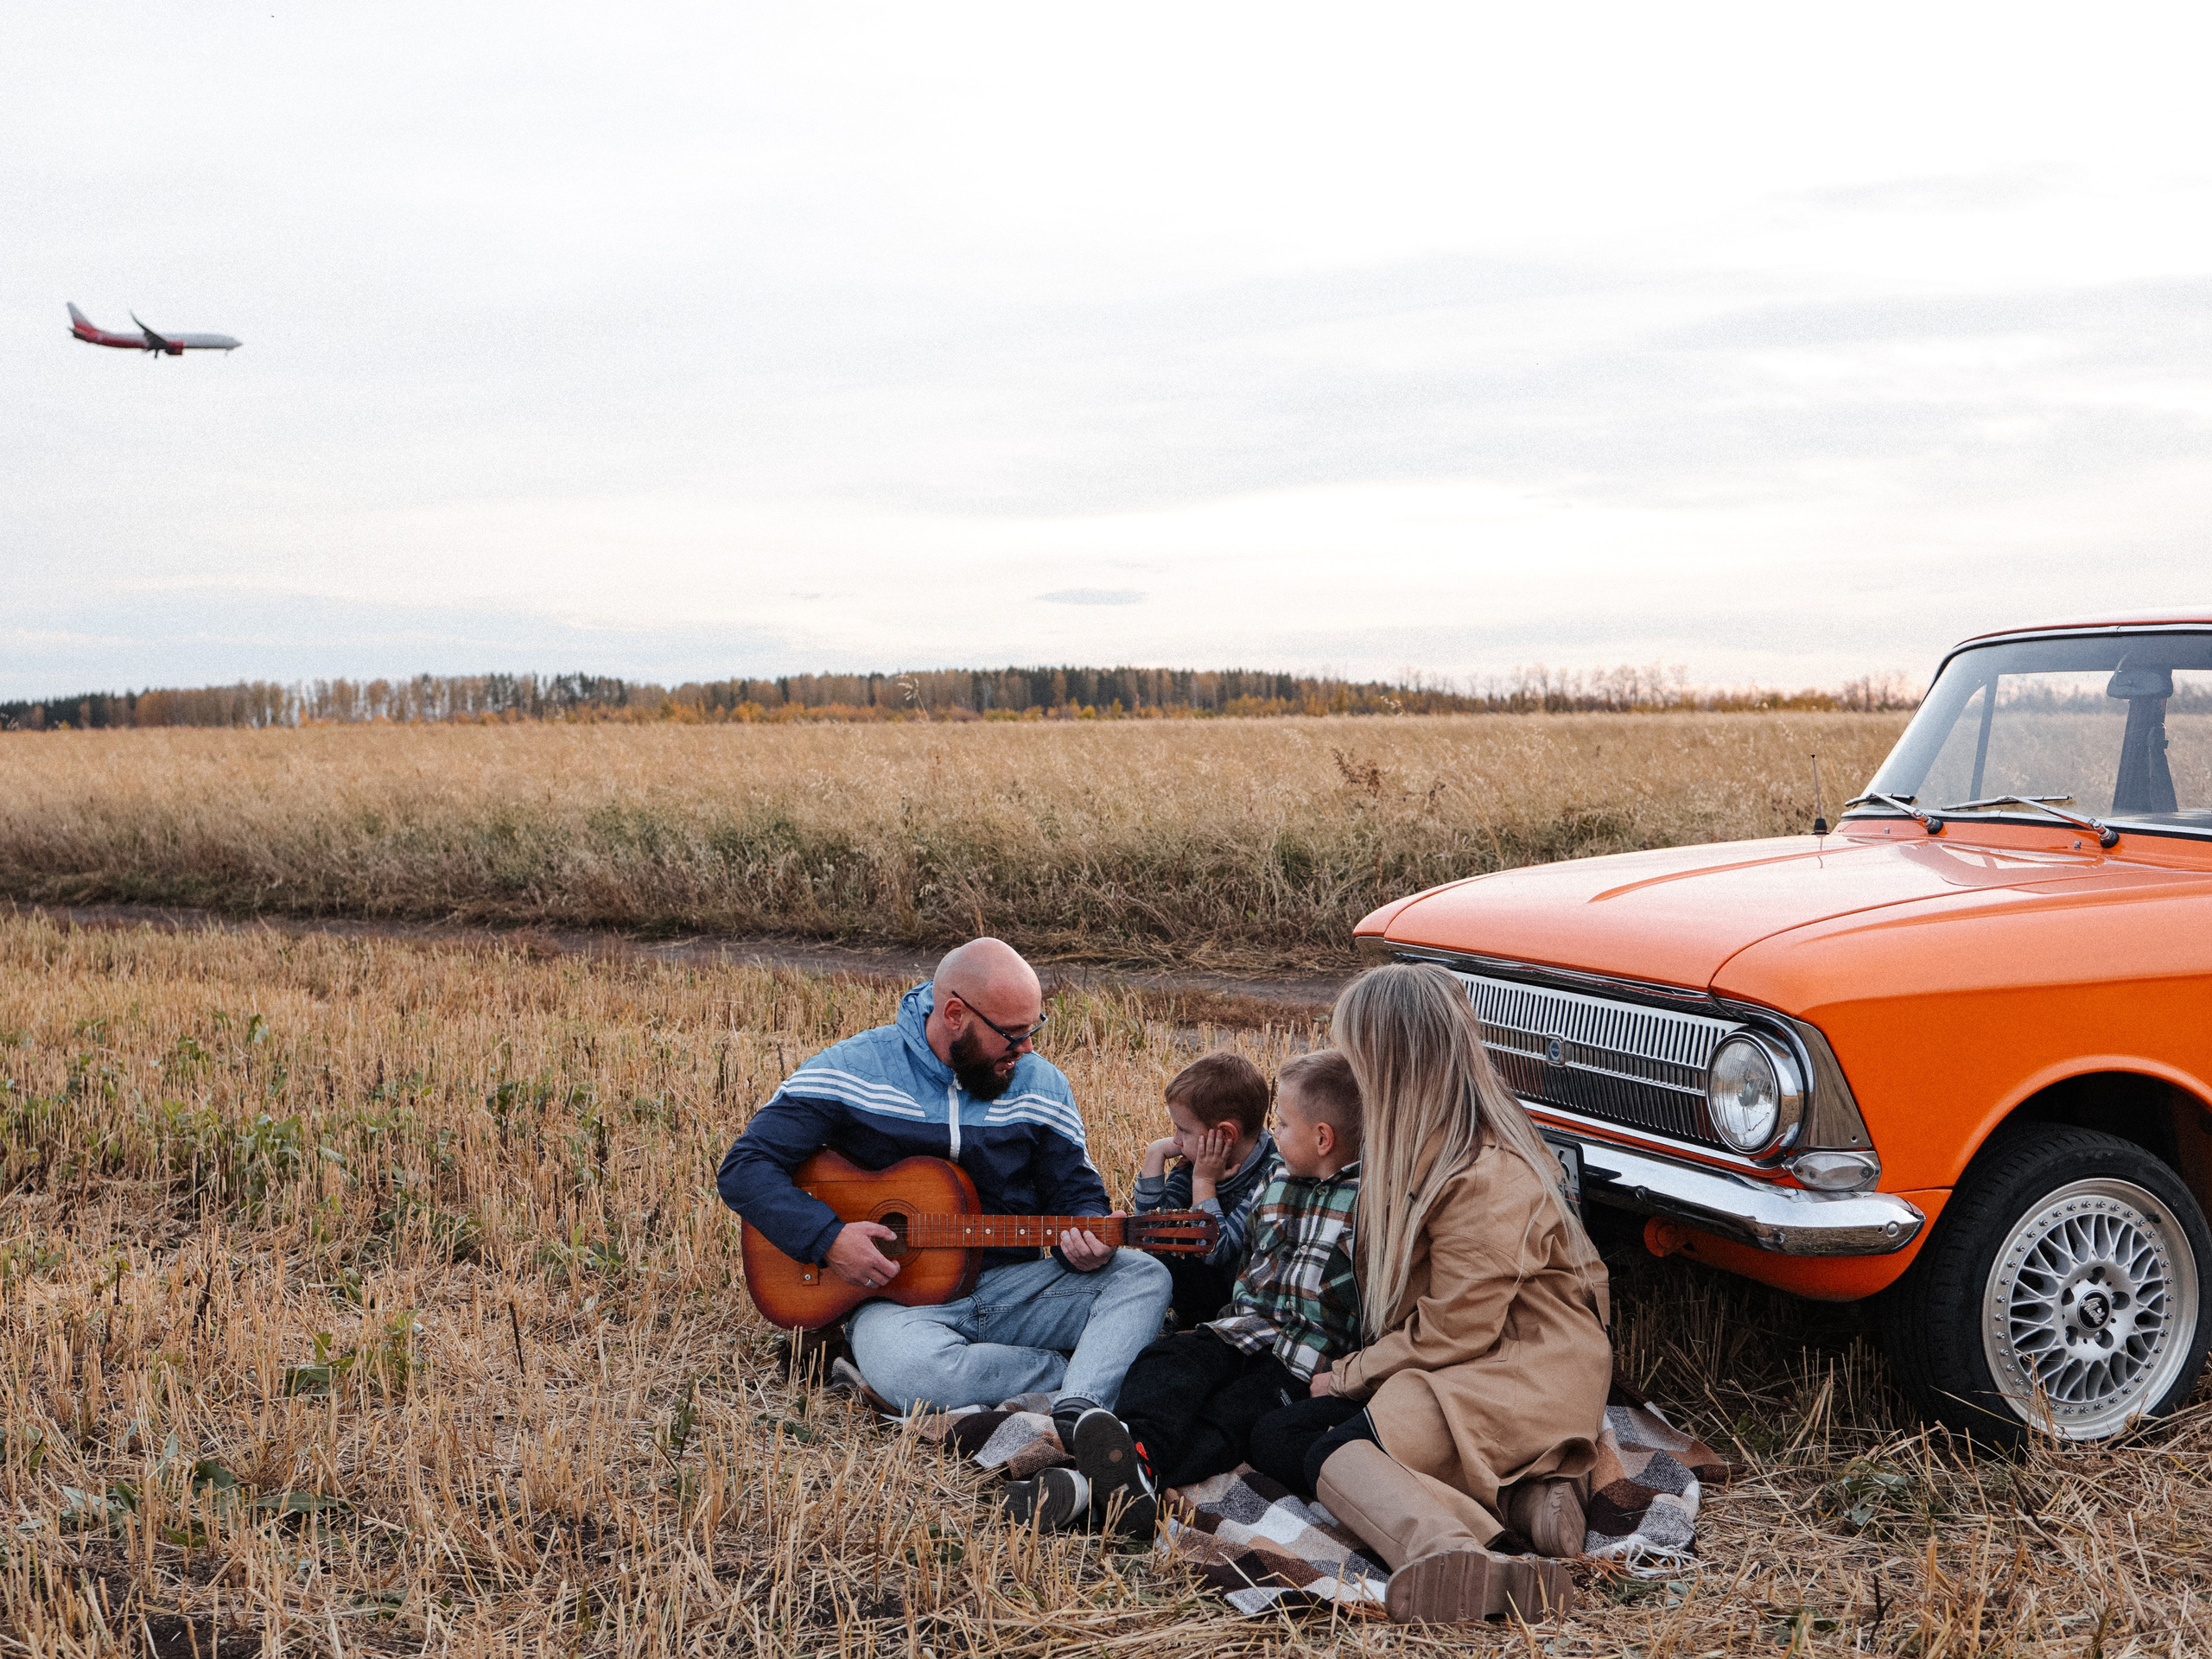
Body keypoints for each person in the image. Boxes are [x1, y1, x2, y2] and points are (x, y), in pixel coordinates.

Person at [1245, 963, 1612, 1625]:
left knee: (1325, 1446)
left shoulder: (1484, 1170)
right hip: (1466, 1365)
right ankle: (1524, 1504)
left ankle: (1451, 1553)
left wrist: (1349, 1376)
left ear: (1389, 1061)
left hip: (1517, 1369)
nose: (1346, 1069)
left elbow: (1455, 1331)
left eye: (1355, 1053)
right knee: (1277, 1434)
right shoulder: (1419, 1145)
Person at [716, 938, 1171, 1414]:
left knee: (1145, 1278)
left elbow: (1076, 1193)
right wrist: (828, 1238)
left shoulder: (1044, 1086)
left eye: (1033, 1027)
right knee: (912, 1372)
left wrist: (1085, 1230)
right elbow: (746, 1167)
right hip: (895, 1307)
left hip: (1015, 1290)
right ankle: (1075, 1373)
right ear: (955, 1014)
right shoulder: (849, 1069)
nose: (1028, 1046)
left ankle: (1077, 1411)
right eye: (1012, 1032)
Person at [1006, 1048, 1363, 1535]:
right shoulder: (1277, 1182)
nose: (1274, 1134)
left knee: (1229, 1418)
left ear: (1322, 1138)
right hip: (1241, 1327)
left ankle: (1096, 1491)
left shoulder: (1366, 1209)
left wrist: (1349, 1375)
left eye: (1281, 1124)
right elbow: (1215, 1248)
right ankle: (1129, 1458)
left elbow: (1376, 1309)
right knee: (1166, 1365)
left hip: (1301, 1358)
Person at [1131, 1051, 1279, 1329]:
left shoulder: (1271, 1177)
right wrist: (1154, 1155)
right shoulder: (1192, 1162)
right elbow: (1148, 1236)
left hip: (1238, 1314)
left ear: (1224, 1135)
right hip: (1197, 1303)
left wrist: (1204, 1183)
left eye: (1183, 1130)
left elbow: (1214, 1248)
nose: (1175, 1140)